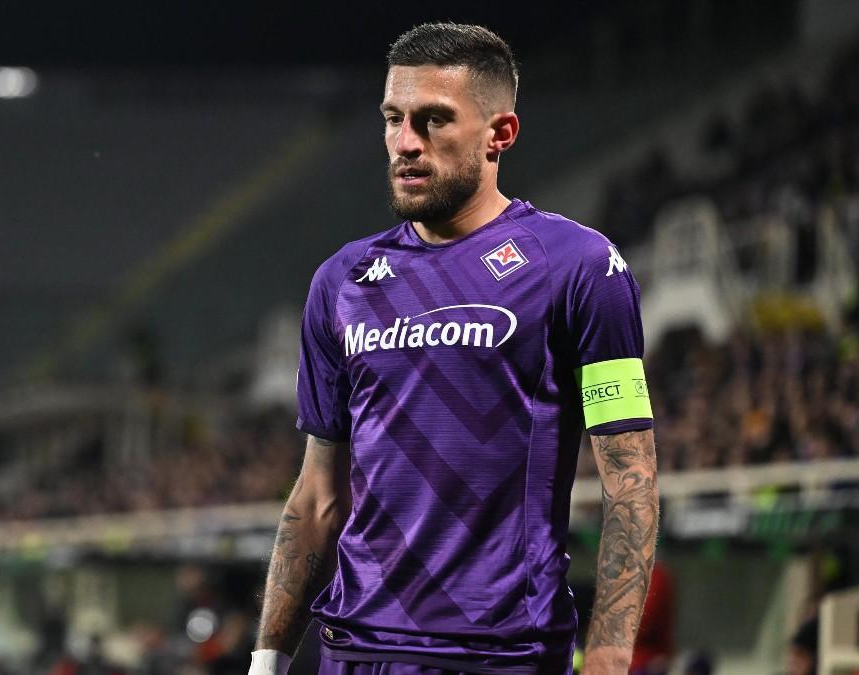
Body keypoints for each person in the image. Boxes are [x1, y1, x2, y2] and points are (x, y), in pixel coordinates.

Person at [249, 22, 659, 675]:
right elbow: (317, 495)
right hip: (355, 652)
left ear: (500, 134)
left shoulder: (579, 266)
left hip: (503, 656)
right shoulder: (342, 281)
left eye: (434, 120)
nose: (405, 143)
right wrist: (267, 657)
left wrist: (609, 656)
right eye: (393, 119)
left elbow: (631, 481)